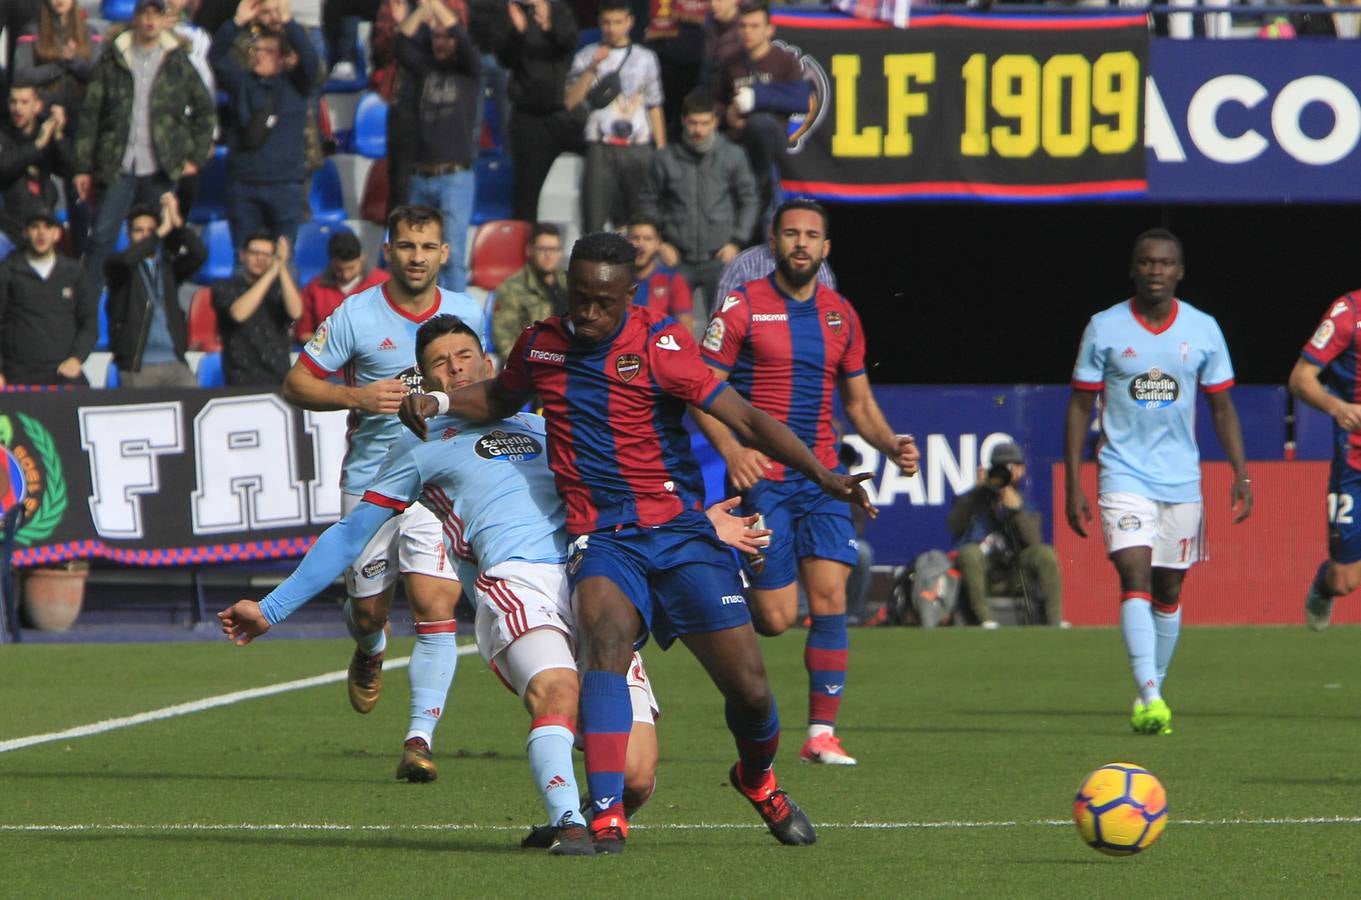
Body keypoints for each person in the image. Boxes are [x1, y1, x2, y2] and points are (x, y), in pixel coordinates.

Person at [221, 313, 771, 854]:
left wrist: (704, 524)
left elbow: (634, 489)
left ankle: (572, 817)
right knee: (558, 693)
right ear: (422, 381)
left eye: (465, 357)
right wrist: (272, 608)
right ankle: (572, 826)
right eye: (439, 363)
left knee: (637, 777)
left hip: (598, 579)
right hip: (514, 583)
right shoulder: (418, 447)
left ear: (489, 362)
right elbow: (349, 536)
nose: (455, 370)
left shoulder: (544, 426)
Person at [401, 230, 878, 852]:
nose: (589, 315)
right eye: (579, 298)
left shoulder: (661, 343)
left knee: (752, 689)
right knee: (603, 641)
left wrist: (826, 475)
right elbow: (497, 395)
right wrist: (437, 398)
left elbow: (745, 418)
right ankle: (602, 815)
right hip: (602, 538)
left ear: (631, 293)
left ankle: (756, 778)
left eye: (603, 302)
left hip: (679, 533)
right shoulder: (542, 344)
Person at [694, 198, 918, 767]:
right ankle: (715, 583)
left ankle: (821, 734)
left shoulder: (841, 313)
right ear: (774, 243)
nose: (800, 243)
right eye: (790, 233)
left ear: (826, 248)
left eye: (811, 235)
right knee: (776, 619)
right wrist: (732, 448)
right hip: (765, 479)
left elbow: (859, 402)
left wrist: (889, 442)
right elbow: (700, 392)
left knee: (830, 599)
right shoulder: (742, 306)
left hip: (823, 480)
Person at [280, 205, 487, 782]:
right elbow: (296, 382)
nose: (417, 257)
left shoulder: (468, 312)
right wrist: (357, 398)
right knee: (369, 609)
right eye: (406, 246)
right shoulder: (356, 315)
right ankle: (369, 647)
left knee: (436, 607)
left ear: (445, 253)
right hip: (371, 482)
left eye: (427, 247)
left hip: (436, 483)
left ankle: (418, 740)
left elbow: (489, 387)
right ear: (388, 253)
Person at [1064, 228, 1252, 736]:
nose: (1155, 271)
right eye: (1146, 262)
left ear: (1179, 271)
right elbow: (1081, 404)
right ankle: (1148, 695)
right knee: (1135, 577)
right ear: (1133, 268)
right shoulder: (1104, 328)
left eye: (1165, 263)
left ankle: (1155, 687)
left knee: (1169, 589)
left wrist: (1240, 472)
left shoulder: (1203, 329)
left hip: (1181, 482)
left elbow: (1222, 406)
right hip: (1122, 473)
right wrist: (1074, 483)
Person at [74, 0, 215, 297]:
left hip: (161, 166)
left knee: (158, 240)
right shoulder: (113, 57)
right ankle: (87, 308)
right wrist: (83, 166)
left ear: (164, 19)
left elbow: (205, 110)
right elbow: (90, 114)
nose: (150, 20)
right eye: (144, 13)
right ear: (135, 18)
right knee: (101, 237)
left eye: (156, 13)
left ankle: (154, 307)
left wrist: (195, 156)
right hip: (118, 164)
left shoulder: (178, 60)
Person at [634, 88, 754, 318]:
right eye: (693, 123)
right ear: (683, 120)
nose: (698, 130)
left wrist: (737, 241)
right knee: (671, 329)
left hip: (719, 257)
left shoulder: (733, 155)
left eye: (704, 123)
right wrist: (660, 243)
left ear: (715, 121)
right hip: (677, 257)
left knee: (722, 327)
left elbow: (749, 199)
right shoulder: (665, 158)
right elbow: (648, 201)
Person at [211, 0, 318, 251]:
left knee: (284, 261)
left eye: (267, 51)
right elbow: (215, 57)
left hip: (284, 187)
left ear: (282, 58)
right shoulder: (242, 83)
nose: (259, 56)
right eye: (255, 51)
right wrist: (237, 22)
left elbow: (311, 60)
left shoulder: (295, 86)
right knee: (244, 261)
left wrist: (288, 22)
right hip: (244, 186)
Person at [395, 0, 480, 292]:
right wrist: (422, 10)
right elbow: (401, 40)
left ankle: (458, 327)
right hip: (420, 176)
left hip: (454, 177)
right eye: (437, 37)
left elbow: (462, 35)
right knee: (415, 256)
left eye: (447, 37)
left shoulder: (469, 70)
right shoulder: (424, 68)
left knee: (452, 257)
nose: (442, 42)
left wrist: (435, 5)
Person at [1289, 289, 1361, 630]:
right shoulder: (1347, 313)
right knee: (1344, 580)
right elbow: (1301, 379)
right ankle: (1324, 584)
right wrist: (1339, 408)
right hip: (1355, 463)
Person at [565, 0, 666, 233]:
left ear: (629, 22)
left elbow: (654, 104)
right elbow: (570, 101)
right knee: (593, 220)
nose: (612, 28)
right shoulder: (586, 55)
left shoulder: (646, 57)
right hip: (600, 147)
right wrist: (592, 68)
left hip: (638, 147)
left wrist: (660, 146)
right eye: (607, 22)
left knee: (641, 220)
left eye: (618, 22)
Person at [12, 0, 101, 253]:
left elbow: (98, 74)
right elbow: (22, 74)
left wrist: (73, 61)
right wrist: (58, 65)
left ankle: (79, 256)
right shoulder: (31, 31)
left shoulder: (90, 32)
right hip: (41, 124)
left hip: (79, 128)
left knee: (79, 197)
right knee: (42, 195)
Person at [946, 441, 1065, 629]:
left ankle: (1055, 621)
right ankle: (984, 620)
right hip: (981, 573)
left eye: (1010, 468)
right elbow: (954, 526)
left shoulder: (1023, 503)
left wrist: (1015, 509)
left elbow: (1034, 541)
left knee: (1045, 553)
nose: (1004, 474)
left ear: (1020, 471)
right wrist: (977, 491)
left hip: (1014, 576)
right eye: (999, 468)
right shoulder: (972, 500)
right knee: (969, 552)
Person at [714, 0, 807, 240]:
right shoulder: (730, 63)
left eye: (754, 26)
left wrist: (758, 97)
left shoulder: (785, 61)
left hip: (768, 147)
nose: (747, 32)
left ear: (769, 29)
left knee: (761, 125)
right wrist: (728, 115)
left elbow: (801, 100)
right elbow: (715, 102)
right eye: (743, 26)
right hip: (738, 147)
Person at [104, 194, 206, 388]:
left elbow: (199, 255)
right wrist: (158, 234)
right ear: (129, 234)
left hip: (175, 362)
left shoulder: (168, 267)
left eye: (150, 230)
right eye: (139, 231)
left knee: (192, 407)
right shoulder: (117, 265)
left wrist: (177, 224)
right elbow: (127, 260)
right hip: (138, 364)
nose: (146, 236)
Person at [498, 0, 580, 222]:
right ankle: (523, 248)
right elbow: (504, 58)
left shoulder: (559, 9)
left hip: (561, 114)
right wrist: (519, 33)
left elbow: (569, 42)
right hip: (528, 117)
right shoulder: (511, 11)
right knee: (526, 194)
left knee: (601, 149)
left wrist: (548, 26)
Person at [0, 207, 96, 387]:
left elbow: (89, 322)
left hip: (62, 370)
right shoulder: (7, 272)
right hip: (16, 372)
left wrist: (76, 358)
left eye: (47, 227)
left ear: (57, 234)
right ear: (25, 233)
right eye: (35, 227)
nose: (41, 233)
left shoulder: (74, 272)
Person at [212, 231, 302, 386]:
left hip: (279, 377)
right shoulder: (224, 287)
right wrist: (272, 271)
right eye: (255, 253)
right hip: (241, 378)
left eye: (267, 255)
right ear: (242, 255)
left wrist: (282, 268)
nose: (260, 258)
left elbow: (296, 312)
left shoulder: (280, 288)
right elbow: (238, 314)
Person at [0, 84, 71, 246]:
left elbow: (70, 170)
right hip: (7, 231)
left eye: (24, 102)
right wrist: (37, 146)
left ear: (37, 106)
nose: (17, 108)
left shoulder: (46, 133)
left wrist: (59, 135)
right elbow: (3, 167)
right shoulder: (3, 134)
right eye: (13, 102)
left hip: (42, 227)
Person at [295, 229, 389, 344]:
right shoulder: (315, 288)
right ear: (331, 262)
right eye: (339, 269)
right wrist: (330, 345)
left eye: (351, 268)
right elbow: (304, 333)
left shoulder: (383, 283)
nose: (345, 275)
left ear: (362, 258)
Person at [490, 221, 566, 357]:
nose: (549, 255)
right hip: (532, 363)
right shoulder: (512, 288)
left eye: (554, 249)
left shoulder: (570, 282)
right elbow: (504, 338)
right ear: (530, 250)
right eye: (543, 249)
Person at [627, 214, 693, 334]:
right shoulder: (617, 281)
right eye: (635, 238)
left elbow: (685, 330)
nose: (640, 244)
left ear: (658, 243)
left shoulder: (672, 280)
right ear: (626, 241)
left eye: (647, 239)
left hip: (659, 349)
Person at [715, 239, 834, 305]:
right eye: (790, 233)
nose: (800, 242)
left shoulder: (819, 268)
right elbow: (720, 326)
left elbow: (829, 317)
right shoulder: (741, 266)